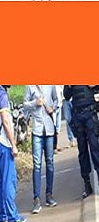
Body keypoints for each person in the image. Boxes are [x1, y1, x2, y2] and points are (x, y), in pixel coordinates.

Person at [64, 85, 99, 198]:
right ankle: (87, 184)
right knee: (82, 152)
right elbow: (66, 96)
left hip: (90, 114)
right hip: (78, 116)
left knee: (95, 148)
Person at [24, 85, 58, 213]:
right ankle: (36, 199)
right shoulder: (30, 86)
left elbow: (56, 100)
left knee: (49, 162)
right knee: (36, 164)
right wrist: (35, 103)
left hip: (49, 129)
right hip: (37, 130)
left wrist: (52, 108)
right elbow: (25, 104)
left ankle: (49, 194)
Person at [0, 85, 26, 222]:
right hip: (3, 143)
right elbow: (5, 121)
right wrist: (13, 144)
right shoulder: (1, 94)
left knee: (0, 182)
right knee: (8, 181)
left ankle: (2, 216)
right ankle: (11, 217)